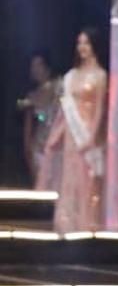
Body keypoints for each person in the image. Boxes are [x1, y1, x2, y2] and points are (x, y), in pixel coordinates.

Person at [41, 28, 107, 232]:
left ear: (94, 46)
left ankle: (85, 227)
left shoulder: (100, 75)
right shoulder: (71, 75)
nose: (82, 47)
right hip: (71, 135)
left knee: (87, 183)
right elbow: (65, 112)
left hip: (86, 136)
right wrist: (56, 136)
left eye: (86, 43)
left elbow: (99, 110)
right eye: (79, 43)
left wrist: (91, 138)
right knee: (68, 180)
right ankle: (65, 227)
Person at [17, 50, 61, 187]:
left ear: (47, 66)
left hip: (58, 145)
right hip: (39, 148)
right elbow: (28, 127)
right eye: (33, 66)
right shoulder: (32, 96)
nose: (35, 69)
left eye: (39, 65)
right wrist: (28, 151)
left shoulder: (59, 87)